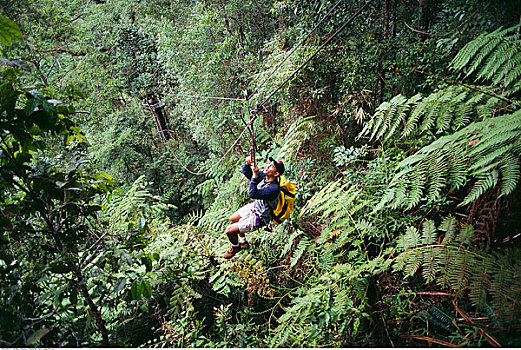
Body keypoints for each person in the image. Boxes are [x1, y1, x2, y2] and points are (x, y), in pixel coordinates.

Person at [223, 155, 285, 259]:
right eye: (269, 164)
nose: (268, 166)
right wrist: (247, 164)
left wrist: (255, 175)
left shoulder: (274, 188)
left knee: (229, 231)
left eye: (271, 166)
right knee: (233, 218)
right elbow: (247, 172)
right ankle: (243, 242)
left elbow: (252, 193)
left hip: (260, 217)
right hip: (255, 207)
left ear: (276, 173)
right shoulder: (264, 177)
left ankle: (235, 247)